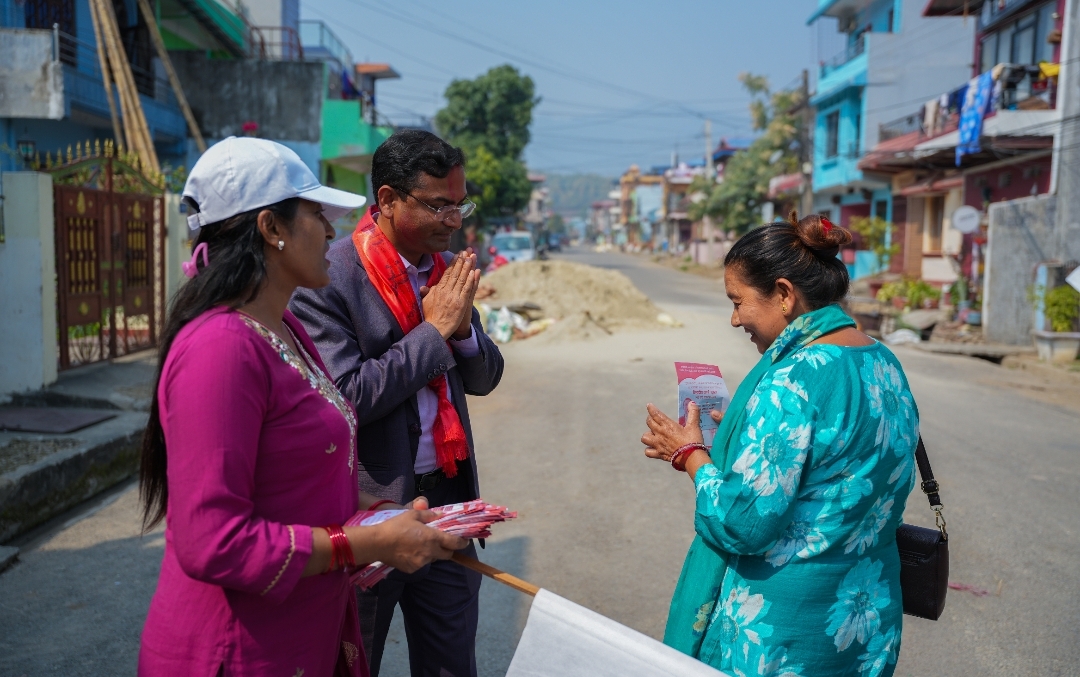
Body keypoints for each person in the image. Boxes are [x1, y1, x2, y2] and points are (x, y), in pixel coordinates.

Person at [137, 137, 467, 677]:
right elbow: (213, 542)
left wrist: (387, 514)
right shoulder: (221, 347)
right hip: (240, 649)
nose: (334, 230)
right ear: (271, 229)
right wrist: (363, 542)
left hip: (299, 631)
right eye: (317, 214)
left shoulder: (283, 327)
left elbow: (303, 467)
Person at [640, 212, 919, 677]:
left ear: (785, 295)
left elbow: (743, 522)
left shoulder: (794, 378)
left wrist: (691, 456)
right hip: (863, 622)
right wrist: (755, 432)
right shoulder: (881, 359)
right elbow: (843, 467)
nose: (734, 320)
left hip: (788, 633)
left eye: (739, 302)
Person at [289, 129, 504, 677]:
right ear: (386, 200)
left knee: (452, 664)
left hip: (447, 506)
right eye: (438, 205)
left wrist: (460, 333)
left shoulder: (445, 268)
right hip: (369, 513)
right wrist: (435, 332)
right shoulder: (329, 276)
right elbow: (348, 397)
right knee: (355, 660)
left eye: (460, 205)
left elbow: (483, 377)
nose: (453, 219)